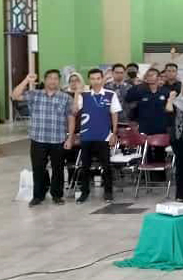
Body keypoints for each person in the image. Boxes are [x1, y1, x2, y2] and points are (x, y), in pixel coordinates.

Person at [11, 71, 74, 206]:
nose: (53, 81)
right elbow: (15, 95)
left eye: (56, 78)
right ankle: (38, 196)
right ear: (45, 81)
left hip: (58, 139)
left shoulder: (65, 97)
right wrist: (27, 80)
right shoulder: (35, 95)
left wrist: (70, 138)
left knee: (58, 169)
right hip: (38, 138)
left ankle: (57, 195)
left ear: (59, 81)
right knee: (38, 169)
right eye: (50, 78)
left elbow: (70, 118)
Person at [73, 68, 122, 204]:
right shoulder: (84, 95)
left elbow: (115, 114)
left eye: (98, 78)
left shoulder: (110, 95)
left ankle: (108, 193)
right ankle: (84, 192)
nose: (95, 81)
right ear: (89, 80)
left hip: (104, 136)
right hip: (87, 136)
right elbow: (75, 110)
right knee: (85, 166)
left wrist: (114, 133)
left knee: (106, 166)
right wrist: (77, 93)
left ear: (102, 79)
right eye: (92, 79)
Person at [126, 69, 169, 135]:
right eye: (148, 75)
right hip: (144, 127)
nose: (149, 77)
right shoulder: (140, 90)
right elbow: (128, 98)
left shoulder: (165, 91)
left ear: (158, 77)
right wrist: (136, 85)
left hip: (160, 127)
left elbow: (169, 109)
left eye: (152, 75)